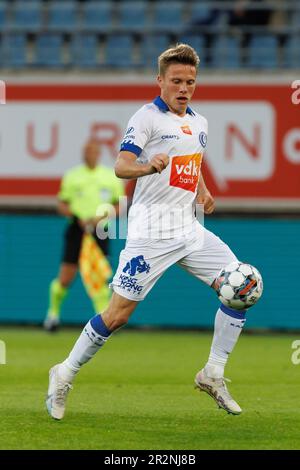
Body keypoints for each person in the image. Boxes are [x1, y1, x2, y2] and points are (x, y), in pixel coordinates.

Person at [46, 43, 251, 420]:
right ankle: (64, 372)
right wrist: (148, 166)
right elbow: (121, 167)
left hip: (189, 229)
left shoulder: (199, 122)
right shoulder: (146, 118)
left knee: (243, 288)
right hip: (151, 231)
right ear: (160, 81)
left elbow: (193, 161)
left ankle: (213, 373)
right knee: (117, 315)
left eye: (190, 81)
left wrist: (202, 191)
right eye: (176, 80)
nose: (184, 87)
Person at [43, 139, 124, 332]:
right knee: (66, 277)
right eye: (87, 152)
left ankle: (104, 321)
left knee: (100, 275)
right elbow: (62, 203)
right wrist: (76, 216)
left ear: (99, 154)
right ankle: (52, 316)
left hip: (100, 230)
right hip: (77, 229)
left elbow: (120, 205)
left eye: (94, 152)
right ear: (83, 154)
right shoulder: (73, 176)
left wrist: (102, 216)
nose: (91, 155)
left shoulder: (110, 177)